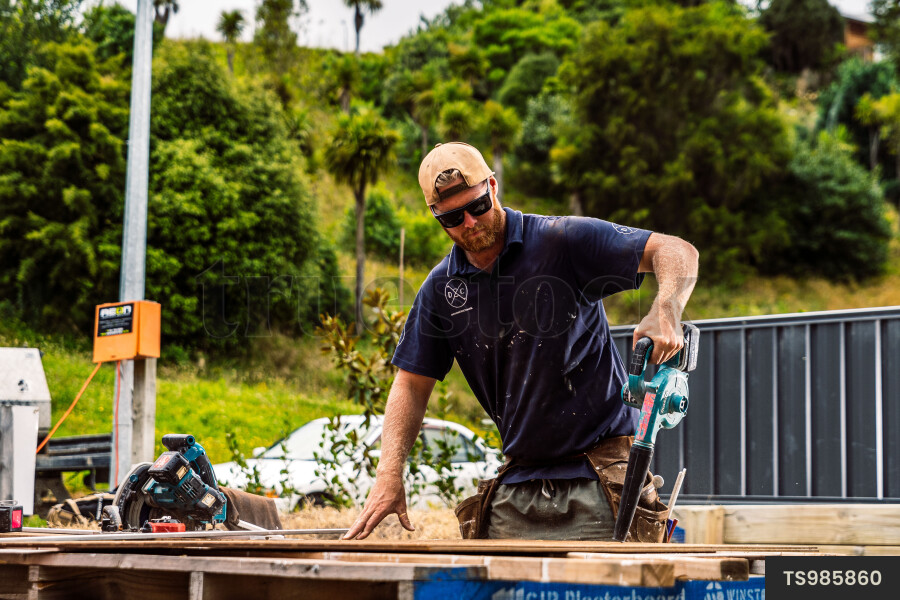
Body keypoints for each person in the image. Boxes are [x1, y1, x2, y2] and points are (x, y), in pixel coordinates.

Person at [343, 142, 698, 541]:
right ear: (436, 217)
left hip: (599, 474)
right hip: (519, 479)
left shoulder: (561, 241)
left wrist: (667, 308)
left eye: (478, 206)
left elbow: (676, 250)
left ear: (492, 187)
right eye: (453, 217)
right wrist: (389, 473)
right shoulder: (441, 289)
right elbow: (411, 383)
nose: (470, 223)